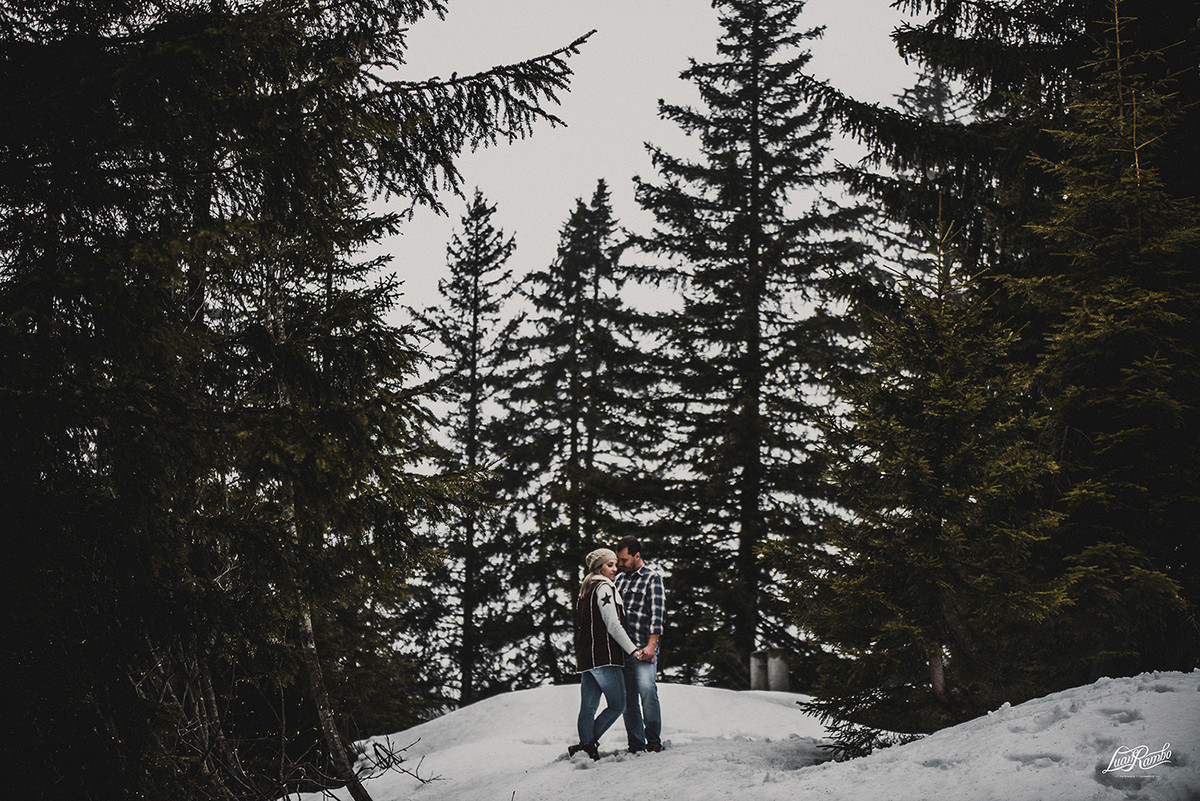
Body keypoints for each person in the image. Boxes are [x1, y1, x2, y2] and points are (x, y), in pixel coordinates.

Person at [570, 547, 643, 760]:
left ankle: (585, 747)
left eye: (615, 565)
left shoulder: (585, 591)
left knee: (588, 707)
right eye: (609, 565)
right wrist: (632, 650)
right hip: (605, 657)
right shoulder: (604, 588)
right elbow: (613, 624)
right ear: (599, 567)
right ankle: (587, 745)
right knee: (618, 704)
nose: (615, 569)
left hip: (587, 659)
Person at [614, 535, 665, 753]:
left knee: (647, 690)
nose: (620, 564)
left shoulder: (652, 579)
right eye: (618, 560)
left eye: (624, 560)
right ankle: (635, 744)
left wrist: (652, 645)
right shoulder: (618, 580)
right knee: (628, 699)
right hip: (622, 650)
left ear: (637, 556)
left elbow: (657, 614)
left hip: (643, 649)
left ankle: (653, 741)